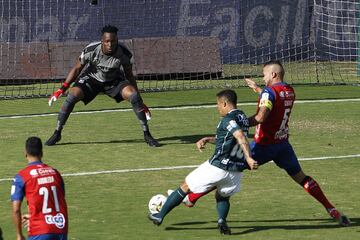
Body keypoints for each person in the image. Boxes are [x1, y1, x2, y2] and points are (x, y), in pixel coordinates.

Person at [181, 60, 351, 227]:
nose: (263, 78)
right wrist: (258, 89)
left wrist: (238, 123)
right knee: (302, 178)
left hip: (264, 146)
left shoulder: (269, 92)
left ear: (273, 74)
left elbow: (261, 117)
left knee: (226, 167)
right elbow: (274, 101)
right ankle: (331, 208)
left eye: (264, 74)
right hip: (283, 146)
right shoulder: (289, 90)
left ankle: (191, 198)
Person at [148, 89, 258, 235]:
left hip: (218, 166)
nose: (217, 107)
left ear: (224, 103)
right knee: (222, 196)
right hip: (235, 171)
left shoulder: (227, 119)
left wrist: (249, 157)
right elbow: (229, 138)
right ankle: (222, 221)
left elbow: (240, 137)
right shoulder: (242, 117)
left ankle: (159, 215)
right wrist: (207, 139)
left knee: (185, 187)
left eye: (218, 104)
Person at [45, 25, 159, 147]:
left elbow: (129, 75)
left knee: (133, 95)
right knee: (72, 96)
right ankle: (57, 133)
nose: (110, 44)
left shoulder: (124, 53)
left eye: (113, 41)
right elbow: (77, 69)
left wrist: (140, 101)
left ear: (117, 40)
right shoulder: (91, 50)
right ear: (102, 41)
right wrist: (61, 89)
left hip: (114, 80)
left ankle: (147, 134)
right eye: (107, 41)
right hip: (92, 79)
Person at [11, 137, 68, 240]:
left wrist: (19, 235)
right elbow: (58, 201)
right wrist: (33, 216)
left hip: (39, 230)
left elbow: (16, 210)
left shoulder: (22, 176)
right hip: (60, 229)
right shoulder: (55, 173)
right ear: (42, 153)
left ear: (25, 153)